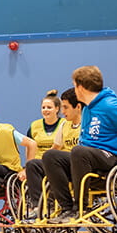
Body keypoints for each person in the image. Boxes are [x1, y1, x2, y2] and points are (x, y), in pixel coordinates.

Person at [43, 66, 117, 224]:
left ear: (80, 87)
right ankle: (67, 209)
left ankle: (79, 208)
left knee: (79, 151)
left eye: (74, 85)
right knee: (50, 156)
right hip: (89, 160)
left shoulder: (111, 106)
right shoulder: (88, 108)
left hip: (114, 160)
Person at [24, 88, 83, 220]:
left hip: (79, 164)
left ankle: (66, 206)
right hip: (63, 164)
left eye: (65, 108)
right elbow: (54, 148)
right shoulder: (64, 125)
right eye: (43, 107)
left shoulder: (85, 124)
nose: (63, 112)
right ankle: (38, 207)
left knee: (53, 157)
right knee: (32, 164)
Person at [26, 90, 65, 160]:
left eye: (49, 107)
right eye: (43, 107)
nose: (45, 110)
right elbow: (29, 146)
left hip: (57, 162)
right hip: (38, 163)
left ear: (57, 108)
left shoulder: (65, 124)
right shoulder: (34, 125)